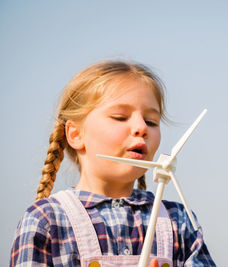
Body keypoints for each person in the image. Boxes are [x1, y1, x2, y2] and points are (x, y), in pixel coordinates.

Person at [10, 61, 216, 267]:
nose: (141, 127)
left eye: (151, 121)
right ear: (75, 134)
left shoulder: (178, 221)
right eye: (120, 117)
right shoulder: (46, 220)